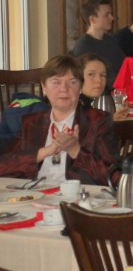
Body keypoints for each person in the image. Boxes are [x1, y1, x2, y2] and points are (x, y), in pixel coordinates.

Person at [0, 55, 118, 184]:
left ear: (80, 88)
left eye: (72, 82)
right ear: (44, 88)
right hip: (35, 193)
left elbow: (113, 176)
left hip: (77, 195)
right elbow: (5, 165)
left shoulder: (98, 121)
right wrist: (43, 152)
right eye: (56, 82)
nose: (64, 89)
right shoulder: (31, 122)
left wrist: (75, 150)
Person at [70, 0, 125, 92]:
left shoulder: (110, 40)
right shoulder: (84, 46)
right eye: (106, 15)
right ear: (92, 19)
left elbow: (124, 66)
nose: (112, 18)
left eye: (111, 14)